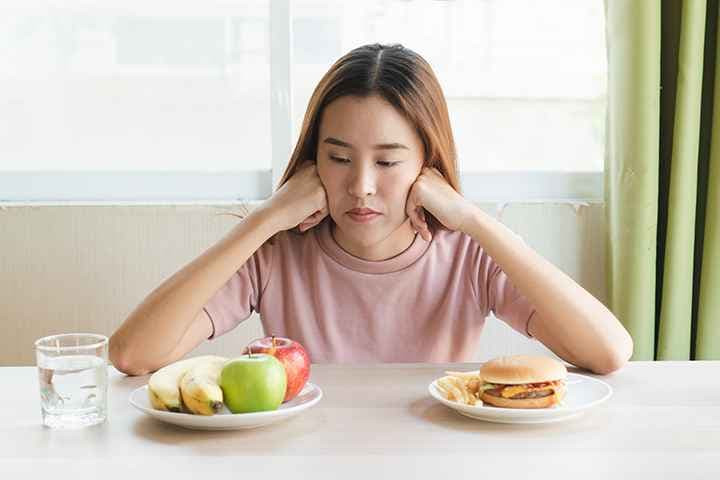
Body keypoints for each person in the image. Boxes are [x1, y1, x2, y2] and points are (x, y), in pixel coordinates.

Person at [109, 43, 633, 376]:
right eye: (338, 158)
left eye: (387, 161)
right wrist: (266, 217)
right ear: (314, 160)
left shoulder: (465, 254)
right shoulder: (278, 251)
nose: (360, 186)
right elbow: (133, 355)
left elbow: (607, 352)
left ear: (426, 163)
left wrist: (472, 220)